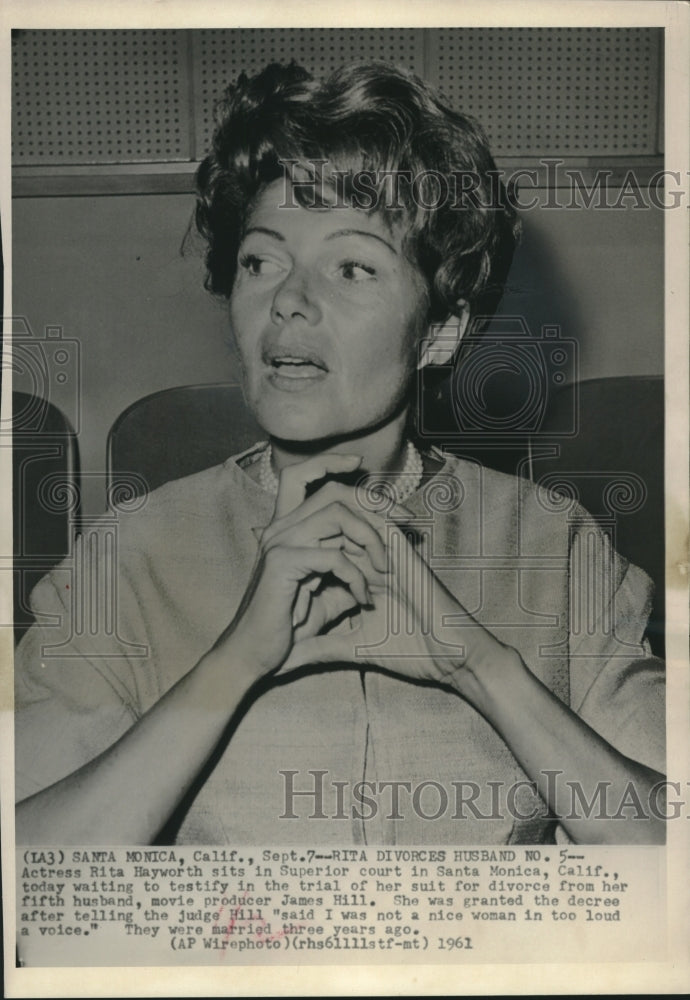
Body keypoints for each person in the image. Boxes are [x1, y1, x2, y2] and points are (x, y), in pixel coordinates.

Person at [14, 61, 665, 846]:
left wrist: (478, 664)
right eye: (261, 261)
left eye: (351, 266)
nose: (288, 298)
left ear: (441, 330)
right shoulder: (122, 561)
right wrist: (234, 663)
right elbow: (27, 900)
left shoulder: (559, 551)